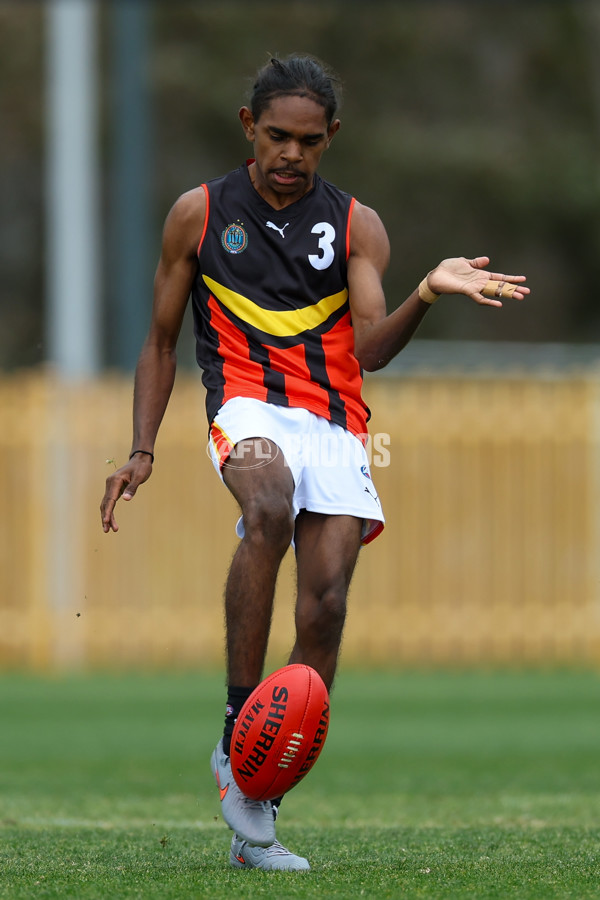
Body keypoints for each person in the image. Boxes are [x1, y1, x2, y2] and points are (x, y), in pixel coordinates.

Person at [100, 54, 529, 871]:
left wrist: (427, 291)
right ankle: (237, 729)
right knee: (267, 504)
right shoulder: (198, 214)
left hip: (335, 423)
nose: (290, 154)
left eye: (308, 140)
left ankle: (259, 803)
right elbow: (159, 342)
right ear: (247, 127)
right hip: (247, 406)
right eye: (276, 136)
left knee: (325, 605)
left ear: (331, 136)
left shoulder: (358, 226)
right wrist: (142, 449)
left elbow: (371, 351)